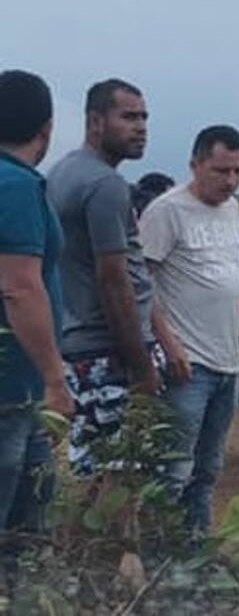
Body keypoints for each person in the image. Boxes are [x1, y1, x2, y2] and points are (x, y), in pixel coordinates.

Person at [140, 125, 239, 534]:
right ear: (195, 165)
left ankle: (196, 557)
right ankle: (161, 560)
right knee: (174, 470)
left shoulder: (231, 211)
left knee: (207, 472)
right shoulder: (167, 212)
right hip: (187, 367)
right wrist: (168, 343)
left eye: (238, 171)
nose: (230, 181)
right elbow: (141, 286)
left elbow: (235, 282)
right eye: (220, 170)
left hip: (226, 364)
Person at [47, 79, 164, 473]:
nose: (141, 126)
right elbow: (114, 281)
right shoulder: (104, 184)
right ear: (96, 121)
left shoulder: (64, 171)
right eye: (128, 116)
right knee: (117, 478)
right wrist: (142, 366)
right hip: (106, 352)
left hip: (75, 342)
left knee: (93, 471)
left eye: (144, 116)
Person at [0, 71, 73, 555]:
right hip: (13, 392)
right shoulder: (15, 186)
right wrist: (54, 379)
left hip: (19, 392)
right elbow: (20, 287)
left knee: (32, 520)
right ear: (46, 128)